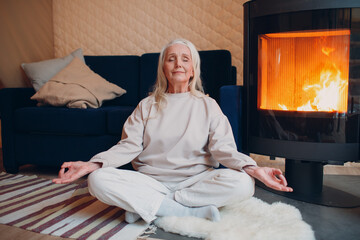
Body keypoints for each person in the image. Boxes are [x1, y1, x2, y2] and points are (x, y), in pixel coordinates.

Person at [53, 38, 293, 223]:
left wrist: (254, 169)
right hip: (151, 181)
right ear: (164, 69)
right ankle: (185, 211)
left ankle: (150, 207)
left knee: (244, 184)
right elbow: (128, 147)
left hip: (195, 182)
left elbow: (224, 149)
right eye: (171, 59)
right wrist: (91, 164)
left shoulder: (208, 105)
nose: (178, 63)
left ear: (192, 70)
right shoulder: (146, 105)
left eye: (185, 59)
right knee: (97, 180)